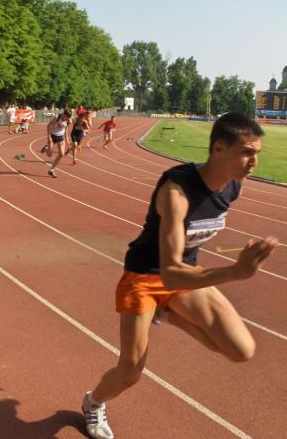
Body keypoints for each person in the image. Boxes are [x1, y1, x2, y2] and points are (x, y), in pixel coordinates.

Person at [81, 112, 279, 439]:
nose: (254, 160)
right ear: (219, 148)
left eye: (257, 152)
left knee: (240, 350)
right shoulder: (176, 192)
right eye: (246, 151)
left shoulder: (233, 188)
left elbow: (180, 268)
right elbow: (169, 274)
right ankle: (93, 402)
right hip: (145, 277)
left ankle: (168, 315)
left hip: (185, 273)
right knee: (131, 371)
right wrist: (235, 272)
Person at [41, 109, 72, 178]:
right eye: (66, 117)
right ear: (64, 114)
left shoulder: (69, 120)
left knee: (62, 154)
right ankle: (46, 148)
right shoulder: (56, 118)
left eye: (68, 118)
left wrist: (67, 138)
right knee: (49, 155)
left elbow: (66, 129)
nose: (67, 119)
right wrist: (49, 137)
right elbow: (48, 126)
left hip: (60, 136)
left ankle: (51, 170)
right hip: (52, 135)